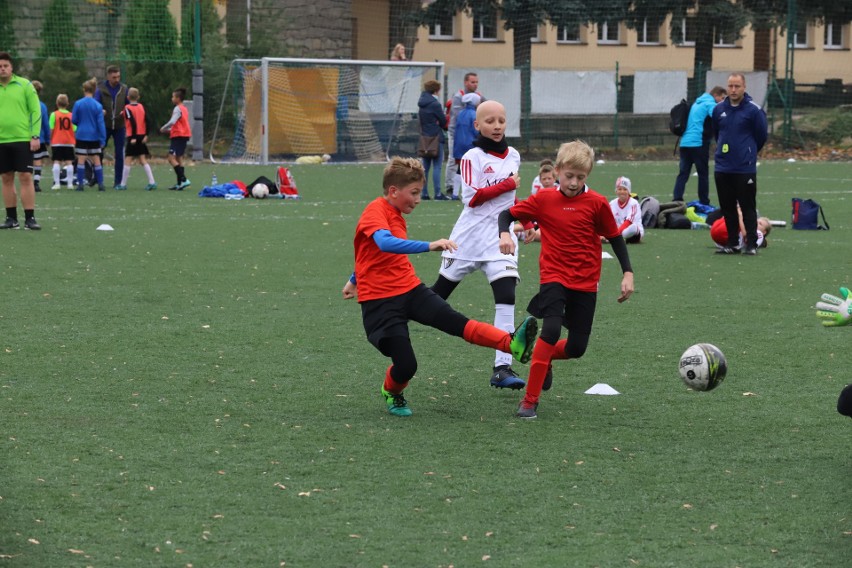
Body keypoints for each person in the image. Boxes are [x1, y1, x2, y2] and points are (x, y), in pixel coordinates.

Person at [341, 156, 538, 417]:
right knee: (407, 365)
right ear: (393, 191)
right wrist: (429, 245)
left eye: (419, 192)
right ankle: (392, 391)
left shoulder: (396, 214)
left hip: (409, 289)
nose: (418, 199)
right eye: (413, 193)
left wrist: (354, 279)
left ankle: (510, 344)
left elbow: (370, 253)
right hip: (379, 302)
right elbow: (384, 243)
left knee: (455, 321)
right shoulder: (376, 210)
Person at [497, 140, 635, 419]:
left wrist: (628, 273)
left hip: (585, 281)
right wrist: (504, 234)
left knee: (576, 348)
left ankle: (542, 357)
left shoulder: (596, 203)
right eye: (569, 176)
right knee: (550, 331)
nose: (573, 183)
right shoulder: (544, 198)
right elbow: (506, 215)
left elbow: (616, 238)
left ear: (588, 176)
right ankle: (529, 400)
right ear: (557, 170)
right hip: (554, 276)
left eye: (580, 177)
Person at [431, 100, 528, 390]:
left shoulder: (514, 155)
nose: (496, 126)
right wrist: (508, 184)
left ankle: (502, 367)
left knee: (506, 295)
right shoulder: (471, 157)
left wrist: (529, 221)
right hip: (469, 237)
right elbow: (472, 198)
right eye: (490, 121)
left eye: (501, 120)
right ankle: (397, 311)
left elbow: (509, 203)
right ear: (477, 125)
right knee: (436, 297)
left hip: (501, 237)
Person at [712, 73, 768, 255]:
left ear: (744, 87)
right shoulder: (719, 109)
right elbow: (717, 133)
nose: (733, 90)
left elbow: (761, 136)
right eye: (730, 86)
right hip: (723, 166)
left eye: (737, 86)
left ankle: (751, 244)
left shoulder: (754, 110)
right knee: (727, 207)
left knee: (747, 207)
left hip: (744, 167)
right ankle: (732, 243)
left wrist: (748, 152)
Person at [0, 52, 42, 230]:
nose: (2, 69)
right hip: (2, 140)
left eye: (5, 66)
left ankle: (30, 218)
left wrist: (35, 135)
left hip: (23, 139)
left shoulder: (25, 85)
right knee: (6, 178)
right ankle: (11, 219)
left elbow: (35, 111)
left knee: (25, 177)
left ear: (12, 67)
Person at [672, 86, 727, 205]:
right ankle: (704, 202)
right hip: (698, 143)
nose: (723, 101)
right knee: (703, 174)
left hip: (685, 143)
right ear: (716, 95)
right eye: (722, 98)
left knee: (683, 173)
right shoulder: (710, 103)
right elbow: (720, 118)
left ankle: (677, 200)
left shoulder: (696, 103)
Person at [445, 72, 483, 199]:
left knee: (461, 164)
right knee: (455, 161)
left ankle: (457, 191)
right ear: (466, 82)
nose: (475, 84)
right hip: (458, 135)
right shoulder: (459, 97)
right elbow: (458, 118)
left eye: (476, 82)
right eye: (473, 82)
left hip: (463, 138)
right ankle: (450, 187)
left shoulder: (477, 97)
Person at [94, 65, 129, 189]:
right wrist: (101, 110)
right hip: (105, 126)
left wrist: (124, 111)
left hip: (120, 126)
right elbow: (96, 104)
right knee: (99, 152)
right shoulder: (100, 89)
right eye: (114, 77)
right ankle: (99, 180)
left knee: (119, 154)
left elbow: (129, 105)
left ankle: (118, 182)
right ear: (108, 76)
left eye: (118, 76)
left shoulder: (124, 89)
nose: (117, 79)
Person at [72, 78, 107, 192]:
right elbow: (101, 124)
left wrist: (81, 123)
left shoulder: (78, 103)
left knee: (81, 160)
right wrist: (103, 139)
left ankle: (80, 184)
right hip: (94, 136)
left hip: (81, 134)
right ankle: (100, 184)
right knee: (96, 159)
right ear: (94, 90)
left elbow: (74, 119)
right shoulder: (98, 106)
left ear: (84, 90)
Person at [416, 80, 448, 200]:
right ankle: (438, 193)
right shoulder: (435, 104)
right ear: (436, 90)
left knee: (425, 167)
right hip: (436, 138)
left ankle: (424, 193)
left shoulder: (421, 103)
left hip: (425, 137)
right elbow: (443, 121)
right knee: (437, 166)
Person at [122, 87, 157, 191]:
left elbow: (132, 121)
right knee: (142, 159)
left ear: (128, 97)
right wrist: (147, 134)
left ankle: (123, 184)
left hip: (133, 136)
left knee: (128, 159)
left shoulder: (127, 108)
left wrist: (132, 137)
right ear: (138, 97)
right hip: (142, 136)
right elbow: (148, 120)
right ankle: (152, 182)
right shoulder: (141, 107)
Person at [160, 87, 192, 190]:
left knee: (171, 158)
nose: (172, 98)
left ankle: (183, 179)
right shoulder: (184, 108)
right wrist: (169, 130)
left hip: (178, 136)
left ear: (178, 98)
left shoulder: (177, 108)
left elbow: (173, 122)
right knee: (179, 158)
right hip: (184, 135)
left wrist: (163, 127)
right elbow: (180, 124)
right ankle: (179, 184)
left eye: (173, 96)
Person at [449, 92, 480, 193]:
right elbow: (476, 131)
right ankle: (470, 191)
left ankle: (455, 193)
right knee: (472, 169)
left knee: (460, 169)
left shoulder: (461, 113)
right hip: (470, 145)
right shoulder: (474, 114)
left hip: (459, 144)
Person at [49, 93, 76, 190]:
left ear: (57, 103)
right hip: (69, 141)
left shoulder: (54, 114)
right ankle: (70, 184)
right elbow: (74, 128)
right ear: (67, 103)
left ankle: (57, 183)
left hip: (57, 141)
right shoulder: (71, 115)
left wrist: (50, 139)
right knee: (69, 162)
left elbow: (51, 128)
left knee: (57, 161)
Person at [607, 176, 644, 244]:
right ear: (616, 191)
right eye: (619, 189)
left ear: (629, 191)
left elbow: (629, 221)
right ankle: (615, 238)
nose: (622, 192)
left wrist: (615, 234)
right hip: (618, 231)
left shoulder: (633, 203)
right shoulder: (612, 204)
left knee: (632, 228)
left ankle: (617, 238)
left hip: (632, 231)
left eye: (625, 189)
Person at [30, 80, 50, 193]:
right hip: (39, 138)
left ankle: (28, 182)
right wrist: (48, 138)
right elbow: (45, 124)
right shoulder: (42, 106)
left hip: (26, 137)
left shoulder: (25, 104)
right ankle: (36, 182)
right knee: (38, 160)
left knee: (28, 160)